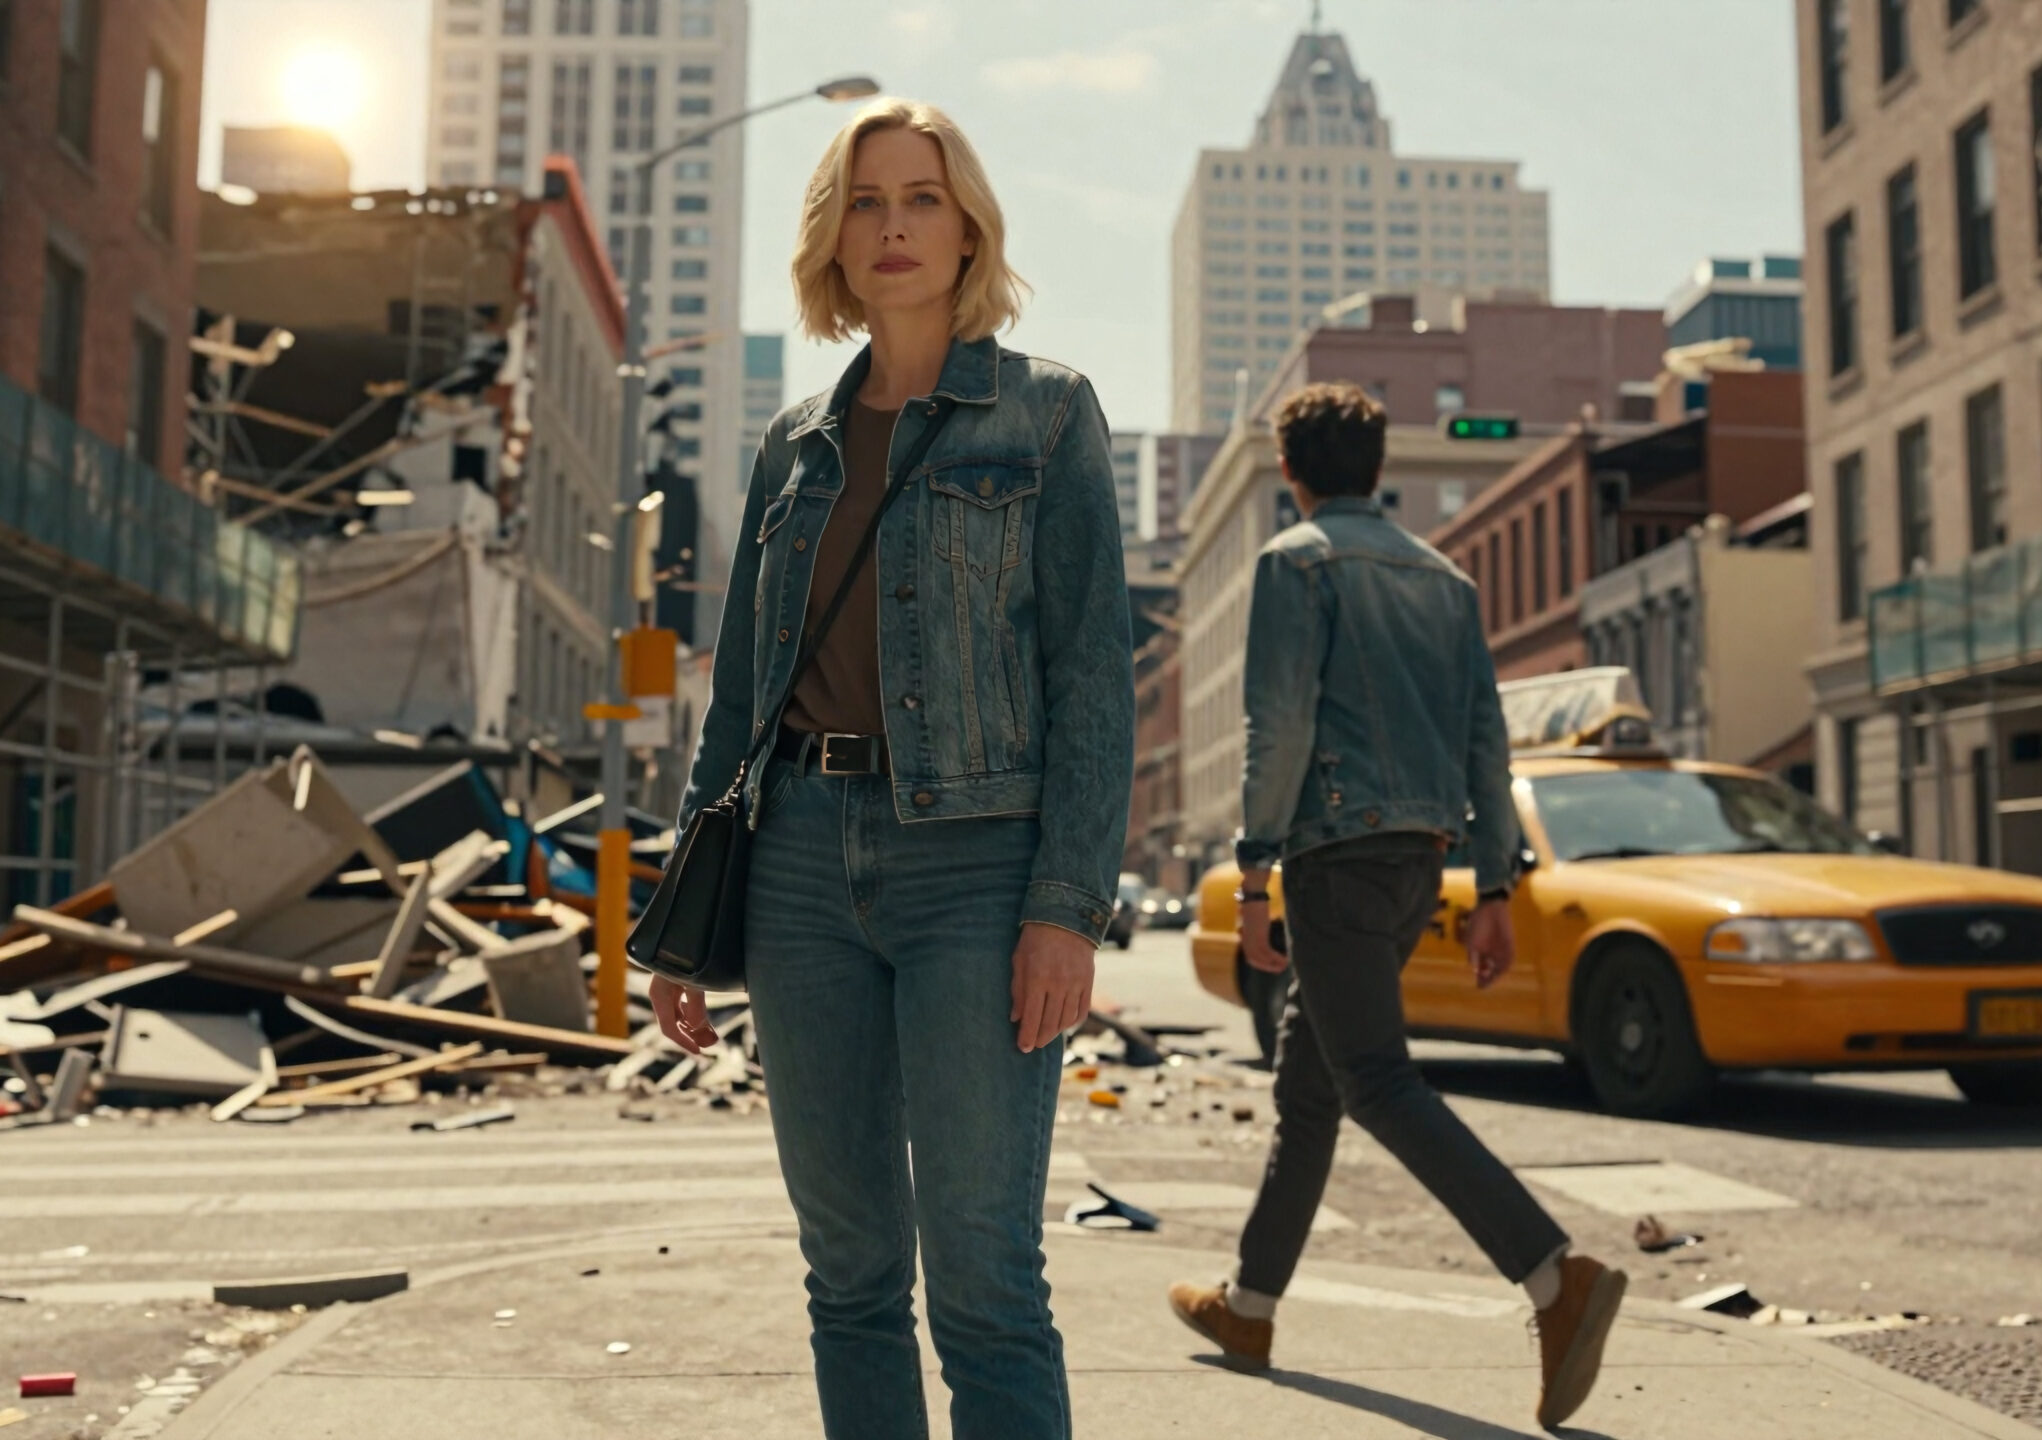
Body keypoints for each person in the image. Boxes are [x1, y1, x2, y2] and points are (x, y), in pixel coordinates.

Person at [649, 98, 1132, 1440]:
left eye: (921, 196)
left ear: (967, 222)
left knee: (984, 1275)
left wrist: (1066, 906)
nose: (895, 224)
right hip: (800, 862)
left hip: (977, 865)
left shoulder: (1046, 418)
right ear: (836, 239)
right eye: (866, 202)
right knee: (850, 1273)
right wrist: (685, 919)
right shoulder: (793, 445)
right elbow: (740, 694)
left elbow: (1095, 679)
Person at [1166, 382, 1625, 1431]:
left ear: (1291, 474)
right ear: (1377, 470)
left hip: (1333, 850)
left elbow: (1276, 728)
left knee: (1373, 1080)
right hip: (1421, 856)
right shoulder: (1446, 579)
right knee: (1310, 1084)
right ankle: (1248, 1306)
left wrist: (1252, 875)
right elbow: (1485, 739)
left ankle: (1555, 1278)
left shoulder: (1296, 564)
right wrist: (1499, 885)